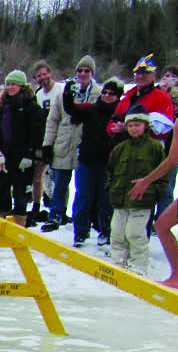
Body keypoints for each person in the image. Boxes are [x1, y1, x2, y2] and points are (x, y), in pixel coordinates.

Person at [129, 77, 178, 300]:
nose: (175, 107)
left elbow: (172, 159)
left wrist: (147, 180)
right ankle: (176, 276)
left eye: (176, 103)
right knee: (162, 225)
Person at [114, 54, 176, 233]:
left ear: (154, 75)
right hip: (125, 153)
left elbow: (164, 128)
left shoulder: (162, 98)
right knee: (127, 195)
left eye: (145, 73)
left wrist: (139, 126)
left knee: (153, 195)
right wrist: (116, 128)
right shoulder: (128, 96)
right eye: (138, 73)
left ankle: (153, 232)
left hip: (152, 155)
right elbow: (112, 121)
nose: (140, 76)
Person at [41, 57, 101, 232]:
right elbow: (52, 121)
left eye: (86, 71)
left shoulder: (99, 93)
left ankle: (86, 217)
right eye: (80, 70)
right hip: (64, 142)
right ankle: (56, 214)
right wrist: (47, 144)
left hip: (87, 143)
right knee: (60, 183)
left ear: (92, 73)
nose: (82, 74)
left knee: (85, 187)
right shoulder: (64, 93)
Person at [64, 78, 123, 247]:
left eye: (111, 94)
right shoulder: (92, 109)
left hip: (108, 163)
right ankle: (80, 231)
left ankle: (106, 231)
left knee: (106, 200)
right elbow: (72, 108)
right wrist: (68, 94)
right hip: (87, 161)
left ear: (118, 96)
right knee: (83, 197)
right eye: (104, 92)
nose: (107, 95)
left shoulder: (120, 114)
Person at [107, 110, 166, 274]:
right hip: (120, 200)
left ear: (146, 126)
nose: (134, 129)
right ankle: (118, 265)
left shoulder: (155, 148)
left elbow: (163, 173)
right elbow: (110, 171)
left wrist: (154, 191)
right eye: (130, 125)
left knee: (135, 234)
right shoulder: (120, 148)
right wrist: (111, 189)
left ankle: (138, 268)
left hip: (142, 201)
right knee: (117, 234)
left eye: (137, 125)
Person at [0, 70, 44, 226]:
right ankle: (3, 224)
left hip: (22, 157)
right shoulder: (2, 106)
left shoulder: (30, 106)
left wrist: (30, 155)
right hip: (4, 156)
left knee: (20, 193)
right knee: (3, 191)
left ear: (22, 85)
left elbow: (37, 132)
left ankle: (20, 225)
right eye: (8, 84)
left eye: (13, 84)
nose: (10, 87)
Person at [29, 60, 62, 225]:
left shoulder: (60, 90)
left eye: (44, 74)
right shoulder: (38, 94)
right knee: (38, 175)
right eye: (39, 76)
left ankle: (59, 208)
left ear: (50, 73)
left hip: (59, 138)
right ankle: (36, 204)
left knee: (59, 176)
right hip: (43, 138)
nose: (42, 78)